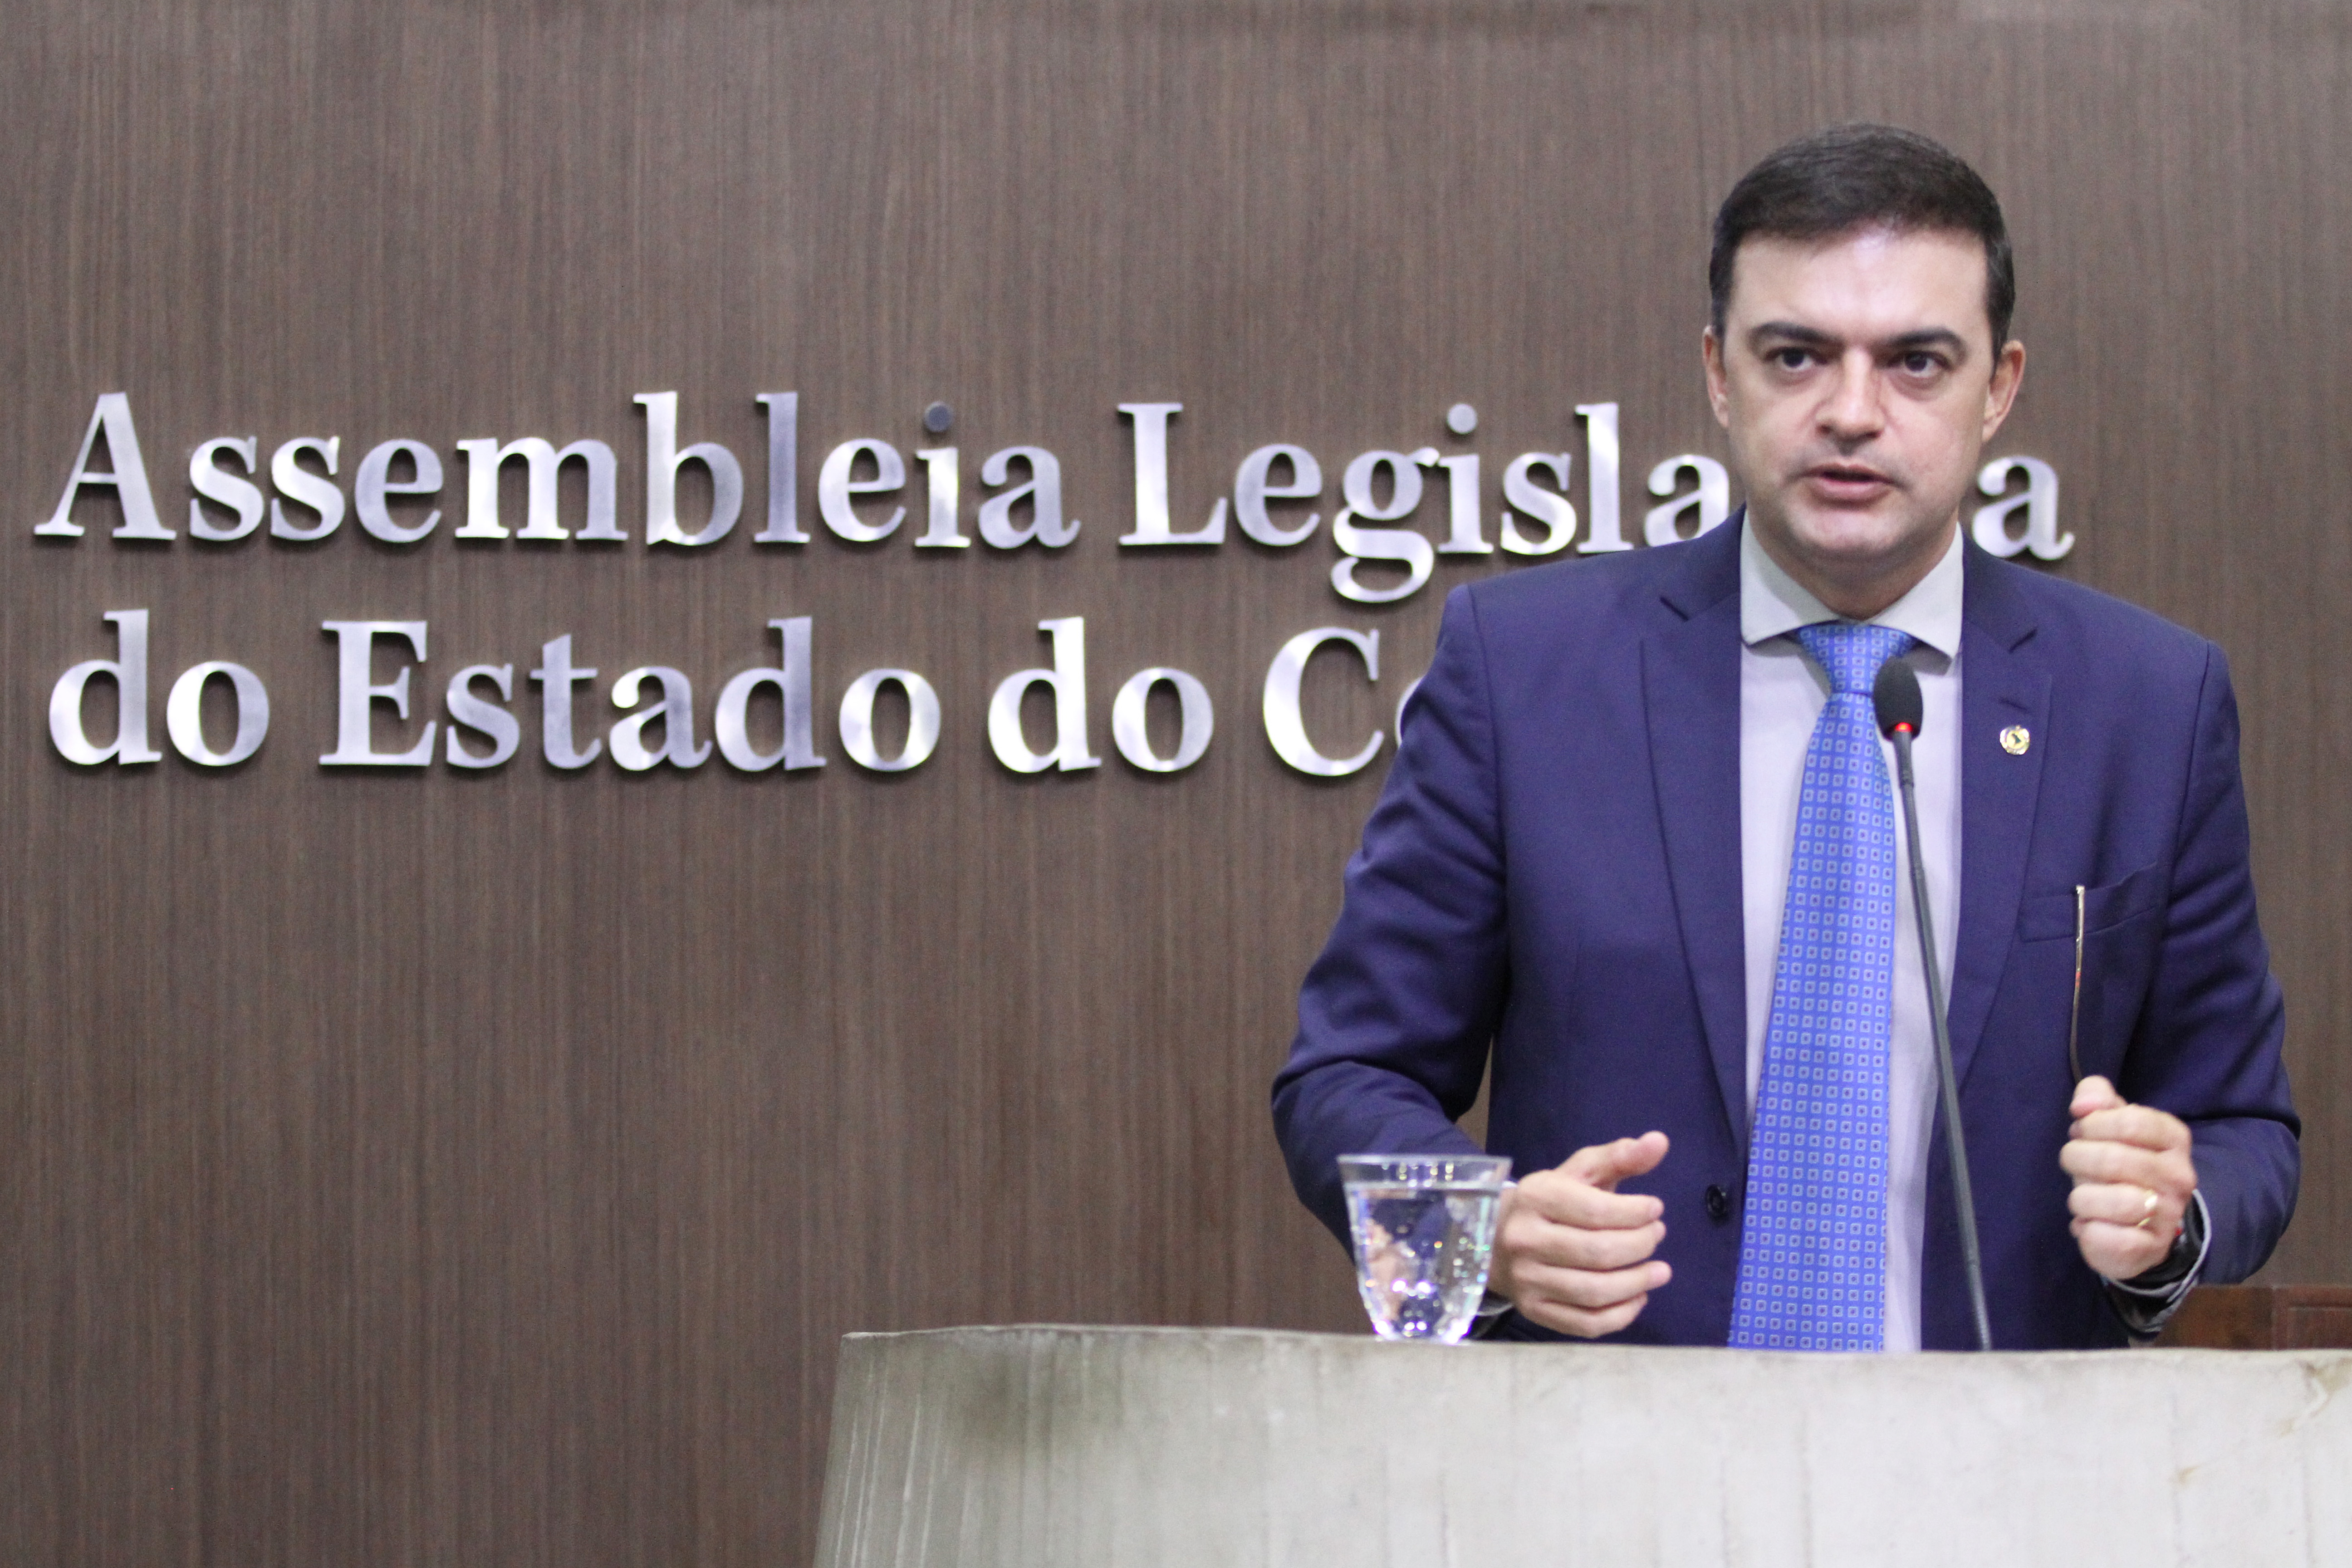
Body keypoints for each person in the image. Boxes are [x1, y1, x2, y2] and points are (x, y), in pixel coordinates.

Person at [1270, 123, 2298, 1350]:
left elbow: (2245, 1133)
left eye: (1917, 363)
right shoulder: (1522, 669)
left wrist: (2175, 1219)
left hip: (2002, 1453)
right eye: (1796, 356)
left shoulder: (2149, 701)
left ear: (1999, 388)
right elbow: (1341, 1080)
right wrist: (1473, 1239)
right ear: (1720, 373)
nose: (1852, 413)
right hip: (1603, 1448)